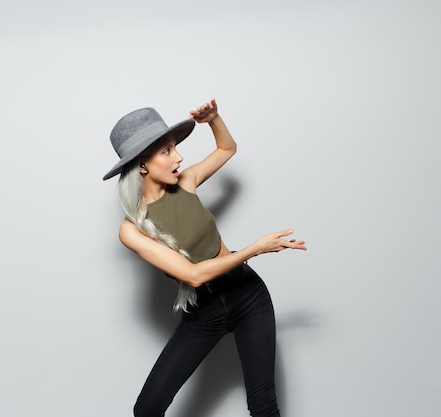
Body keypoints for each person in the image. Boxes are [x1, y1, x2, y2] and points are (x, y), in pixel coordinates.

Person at [103, 98, 306, 417]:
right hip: (203, 311)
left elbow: (226, 149)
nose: (179, 157)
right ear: (142, 164)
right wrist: (254, 249)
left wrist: (214, 119)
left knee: (263, 407)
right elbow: (193, 275)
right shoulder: (131, 231)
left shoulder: (186, 182)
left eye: (175, 147)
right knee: (148, 408)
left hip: (247, 295)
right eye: (167, 151)